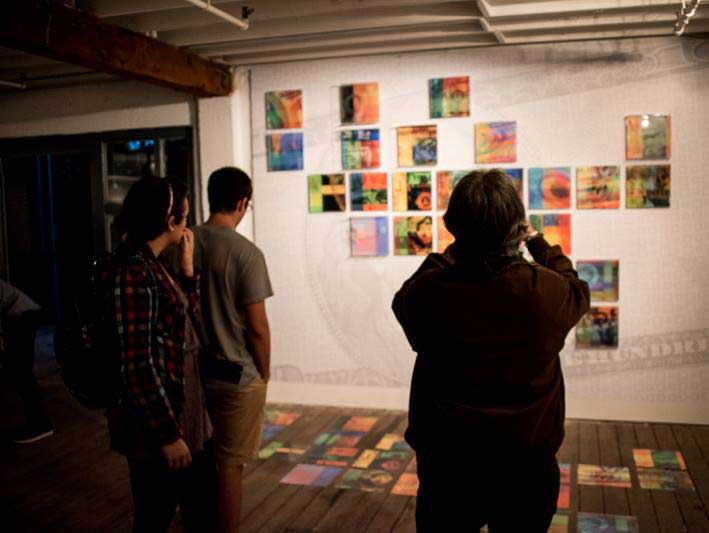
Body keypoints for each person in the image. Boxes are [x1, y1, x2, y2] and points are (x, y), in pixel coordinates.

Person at [392, 169, 590, 532]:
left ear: (453, 225)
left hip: (448, 461)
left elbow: (405, 299)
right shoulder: (545, 292)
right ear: (516, 227)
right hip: (525, 460)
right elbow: (576, 286)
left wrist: (458, 250)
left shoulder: (429, 291)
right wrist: (537, 242)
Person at [104, 176, 216, 533]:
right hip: (161, 425)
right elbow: (136, 362)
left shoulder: (151, 264)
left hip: (181, 414)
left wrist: (186, 270)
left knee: (191, 511)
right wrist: (169, 436)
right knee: (156, 516)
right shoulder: (134, 271)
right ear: (170, 221)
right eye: (184, 216)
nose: (187, 224)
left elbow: (181, 324)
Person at [191, 166, 273, 533]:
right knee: (229, 465)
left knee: (198, 457)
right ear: (242, 203)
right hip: (237, 375)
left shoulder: (182, 243)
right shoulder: (247, 254)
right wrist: (264, 372)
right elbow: (257, 327)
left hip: (194, 371)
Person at [0, 279, 53, 443]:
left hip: (22, 317)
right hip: (21, 316)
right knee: (17, 370)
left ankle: (42, 425)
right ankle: (37, 422)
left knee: (21, 372)